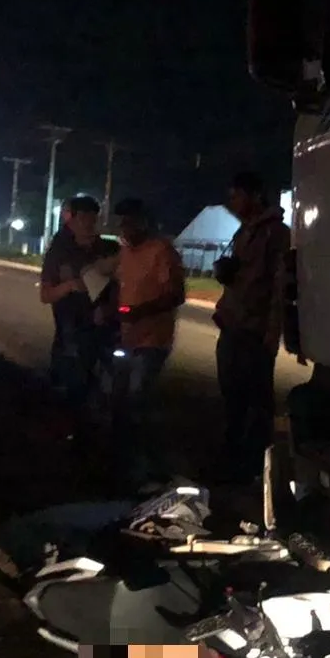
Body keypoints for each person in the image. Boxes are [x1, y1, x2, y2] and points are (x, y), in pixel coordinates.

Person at [213, 171, 291, 483]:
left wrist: (272, 333)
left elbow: (279, 287)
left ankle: (258, 469)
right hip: (233, 324)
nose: (232, 202)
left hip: (254, 329)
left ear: (256, 196)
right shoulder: (245, 231)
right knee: (232, 398)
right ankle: (233, 461)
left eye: (237, 196)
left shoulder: (275, 233)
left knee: (257, 403)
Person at [112, 197, 186, 490]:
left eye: (130, 221)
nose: (125, 227)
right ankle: (123, 462)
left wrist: (141, 311)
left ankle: (150, 467)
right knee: (120, 402)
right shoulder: (124, 253)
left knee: (137, 399)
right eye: (122, 222)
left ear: (144, 221)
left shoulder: (162, 251)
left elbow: (175, 294)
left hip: (151, 340)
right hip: (125, 339)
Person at [40, 195, 120, 417]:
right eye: (82, 217)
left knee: (108, 393)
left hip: (105, 332)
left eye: (92, 218)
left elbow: (124, 287)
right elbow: (46, 295)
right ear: (71, 219)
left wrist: (108, 308)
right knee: (68, 393)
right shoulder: (59, 252)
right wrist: (70, 286)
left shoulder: (110, 249)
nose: (87, 223)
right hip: (70, 335)